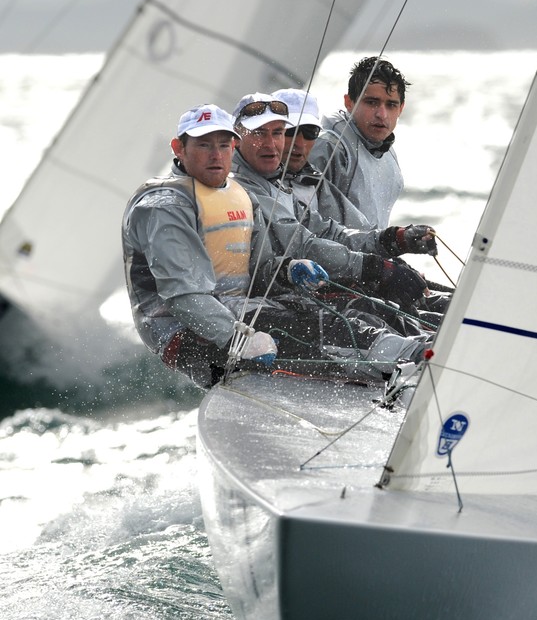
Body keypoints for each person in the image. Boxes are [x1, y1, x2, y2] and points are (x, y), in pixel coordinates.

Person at [122, 103, 429, 389]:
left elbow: (258, 269)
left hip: (240, 308)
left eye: (223, 145)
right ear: (179, 149)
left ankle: (416, 356)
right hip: (184, 331)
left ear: (234, 146)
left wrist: (287, 270)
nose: (216, 155)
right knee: (319, 331)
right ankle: (416, 361)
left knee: (350, 316)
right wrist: (239, 340)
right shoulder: (163, 207)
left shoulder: (239, 196)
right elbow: (184, 297)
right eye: (204, 145)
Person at [229, 92, 430, 314]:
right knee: (386, 318)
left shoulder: (275, 183)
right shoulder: (242, 186)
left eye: (277, 133)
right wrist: (374, 268)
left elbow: (330, 232)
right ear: (235, 140)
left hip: (301, 292)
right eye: (259, 134)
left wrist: (392, 239)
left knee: (419, 309)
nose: (271, 144)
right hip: (261, 305)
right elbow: (303, 245)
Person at [309, 56, 409, 229]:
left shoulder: (388, 152)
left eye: (391, 105)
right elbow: (305, 224)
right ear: (349, 102)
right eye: (372, 102)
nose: (382, 114)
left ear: (401, 109)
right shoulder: (328, 147)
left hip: (374, 253)